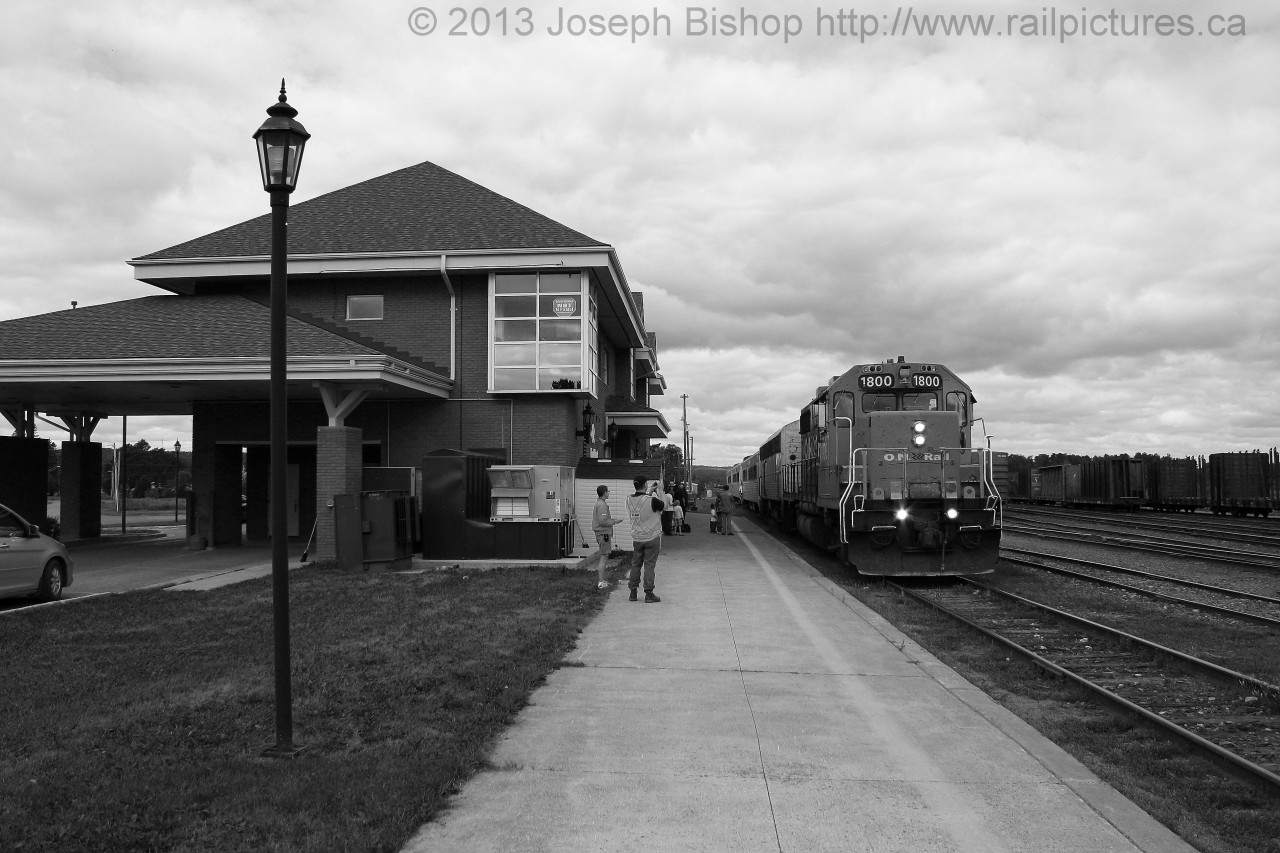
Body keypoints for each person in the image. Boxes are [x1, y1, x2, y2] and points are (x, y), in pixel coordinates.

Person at [625, 476, 666, 603]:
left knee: (636, 564)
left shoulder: (629, 500)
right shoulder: (652, 500)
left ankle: (633, 592)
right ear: (645, 485)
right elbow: (665, 505)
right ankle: (649, 593)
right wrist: (661, 490)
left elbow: (641, 505)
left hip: (637, 538)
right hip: (651, 538)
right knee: (649, 565)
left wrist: (650, 492)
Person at [590, 484, 620, 589]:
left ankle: (602, 580)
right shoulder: (602, 505)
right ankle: (601, 581)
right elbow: (603, 521)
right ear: (604, 492)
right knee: (604, 556)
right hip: (603, 534)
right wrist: (614, 521)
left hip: (602, 533)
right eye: (608, 491)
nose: (609, 493)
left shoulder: (600, 503)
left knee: (605, 555)